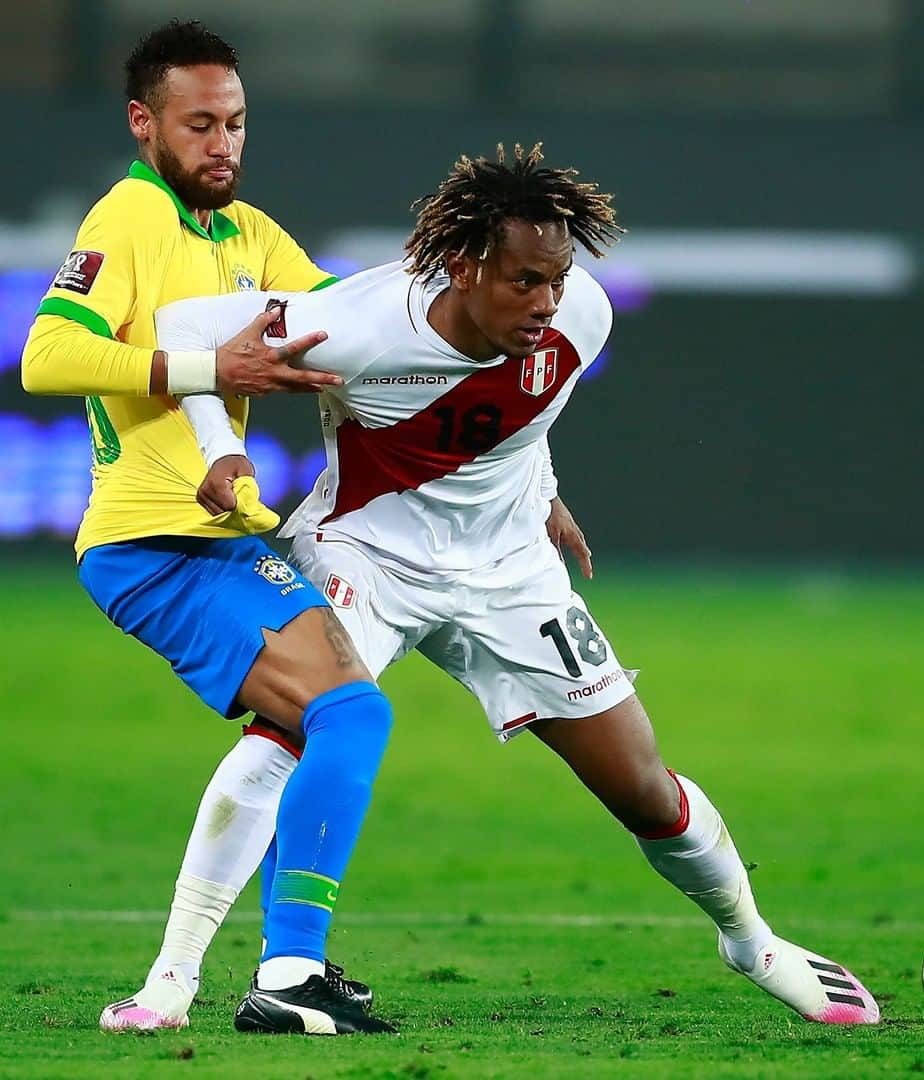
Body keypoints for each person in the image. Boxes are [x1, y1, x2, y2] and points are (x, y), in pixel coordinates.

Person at [157, 143, 882, 1033]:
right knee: (292, 736)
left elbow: (520, 419)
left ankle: (753, 941)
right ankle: (180, 978)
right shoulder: (364, 322)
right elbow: (184, 327)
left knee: (644, 788)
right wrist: (222, 445)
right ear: (462, 266)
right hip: (364, 556)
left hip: (510, 575)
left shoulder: (585, 315)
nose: (546, 303)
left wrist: (542, 495)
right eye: (525, 281)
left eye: (557, 277)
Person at [21, 19, 394, 1036]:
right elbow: (47, 356)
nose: (221, 143)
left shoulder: (247, 234)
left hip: (217, 540)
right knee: (350, 716)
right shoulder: (129, 219)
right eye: (199, 124)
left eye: (233, 122)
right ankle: (289, 970)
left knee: (310, 725)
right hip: (149, 548)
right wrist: (205, 371)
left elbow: (338, 322)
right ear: (146, 125)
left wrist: (440, 327)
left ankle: (236, 977)